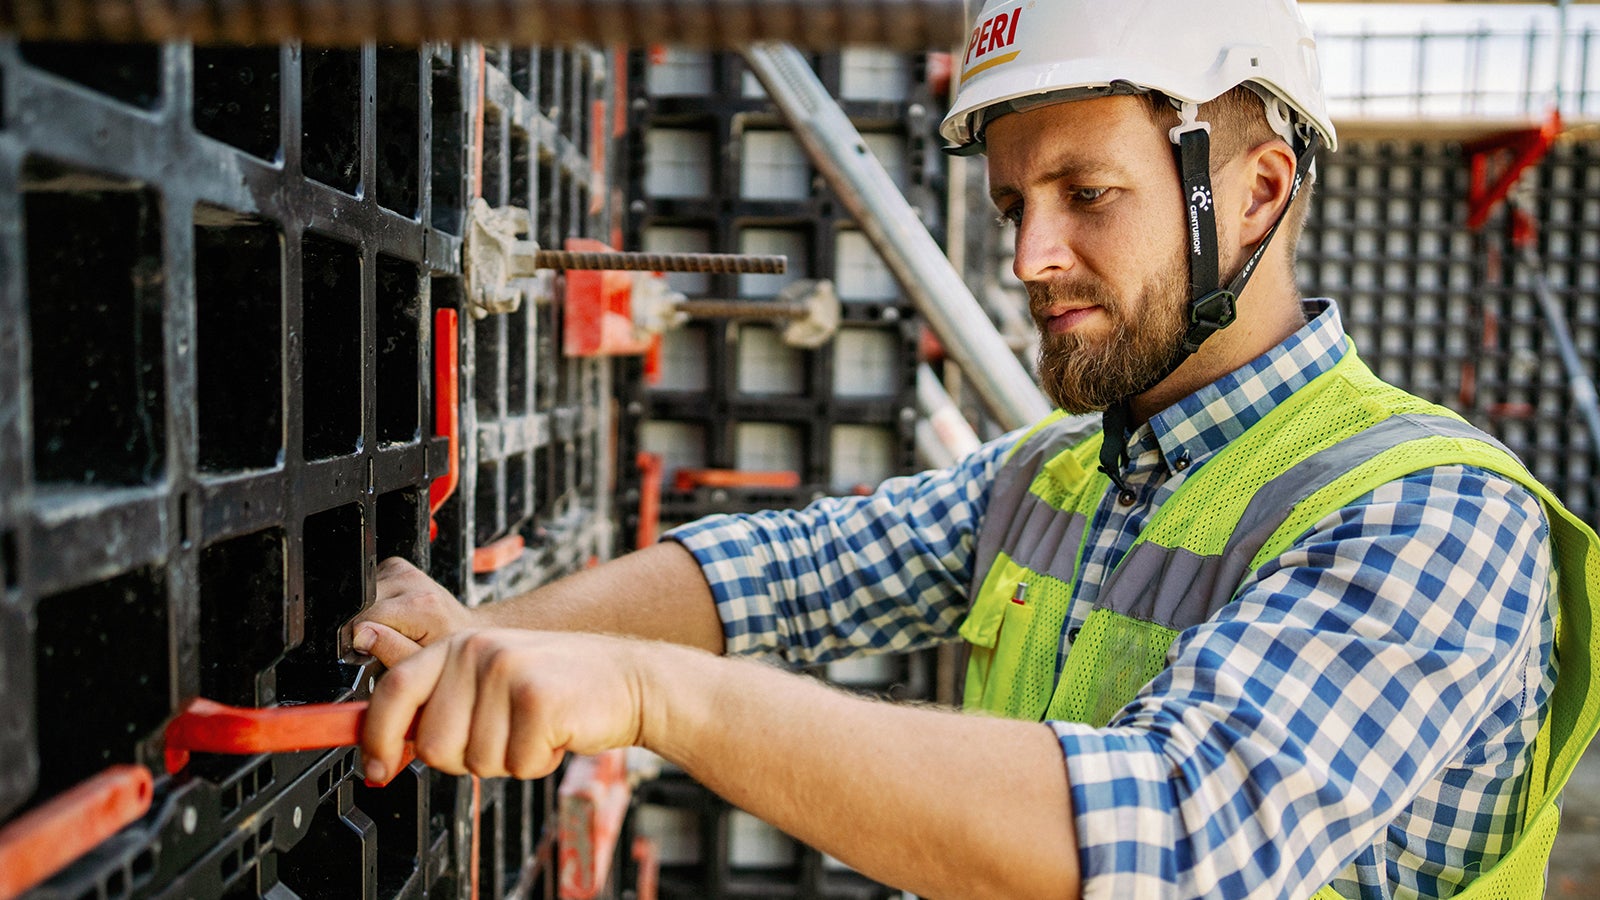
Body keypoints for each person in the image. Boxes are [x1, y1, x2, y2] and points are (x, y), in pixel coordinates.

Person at [354, 0, 1600, 896]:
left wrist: (640, 691)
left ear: (1260, 191)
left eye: (1086, 194)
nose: (1026, 258)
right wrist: (495, 635)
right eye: (1013, 204)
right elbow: (781, 573)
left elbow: (1164, 845)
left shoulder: (1431, 515)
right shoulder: (1061, 473)